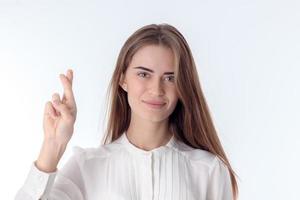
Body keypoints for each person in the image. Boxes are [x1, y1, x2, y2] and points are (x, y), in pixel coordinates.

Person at [15, 23, 239, 200]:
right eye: (143, 74)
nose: (157, 89)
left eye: (170, 78)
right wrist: (53, 144)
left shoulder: (208, 170)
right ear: (122, 79)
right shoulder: (87, 166)